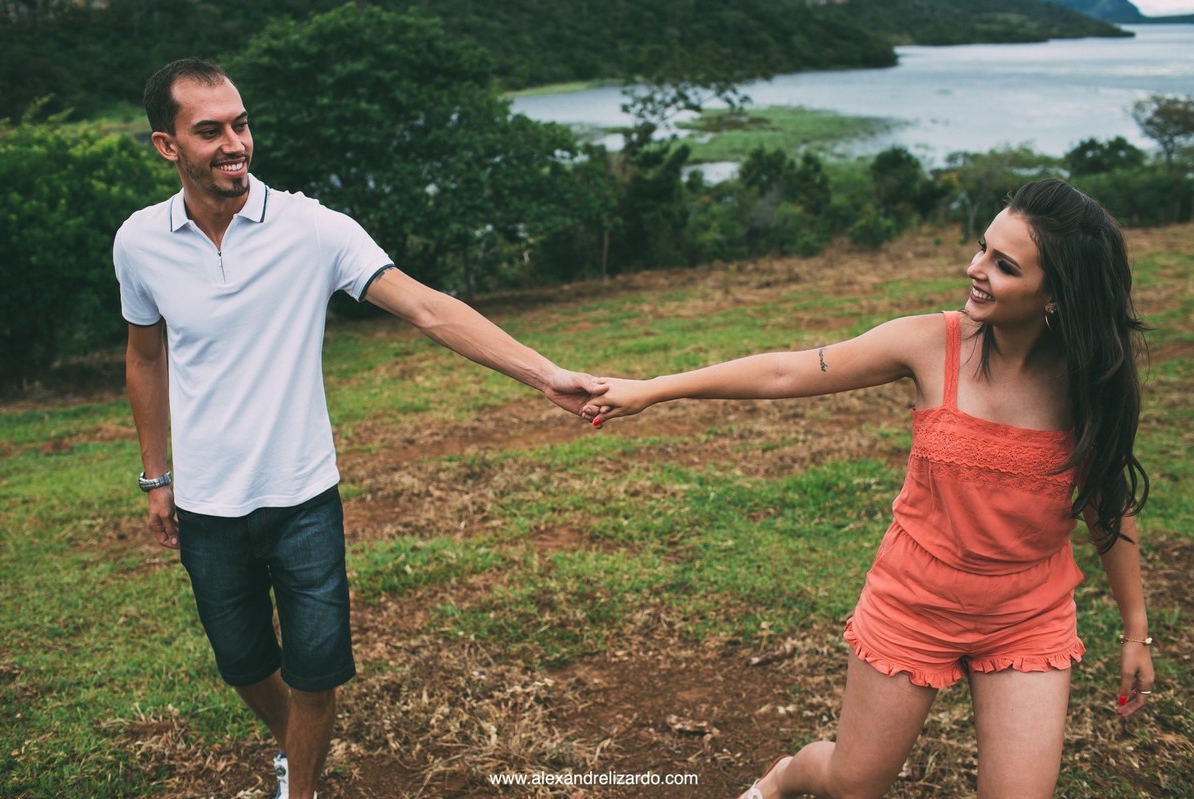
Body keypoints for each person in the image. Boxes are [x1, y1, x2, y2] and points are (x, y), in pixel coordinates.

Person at [115, 57, 604, 799]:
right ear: (167, 146)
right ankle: (296, 752)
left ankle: (301, 787)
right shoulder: (139, 242)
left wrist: (544, 374)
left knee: (317, 670)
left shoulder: (312, 227)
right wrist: (156, 476)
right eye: (209, 131)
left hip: (304, 494)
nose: (234, 143)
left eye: (241, 124)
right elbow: (144, 357)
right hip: (208, 504)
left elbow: (429, 308)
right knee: (243, 662)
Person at [582, 179, 1154, 799]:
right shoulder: (929, 342)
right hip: (914, 599)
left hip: (1027, 614)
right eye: (982, 248)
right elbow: (783, 371)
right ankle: (785, 776)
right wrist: (652, 387)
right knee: (853, 784)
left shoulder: (1089, 381)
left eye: (1003, 265)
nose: (975, 268)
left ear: (1057, 295)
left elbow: (1108, 503)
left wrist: (1135, 628)